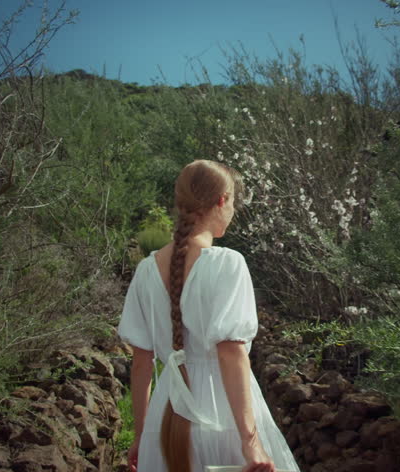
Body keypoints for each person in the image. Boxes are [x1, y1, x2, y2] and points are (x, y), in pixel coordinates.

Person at [118, 160, 299, 472]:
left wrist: (142, 436)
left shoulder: (146, 271)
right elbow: (231, 353)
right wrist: (251, 441)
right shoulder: (227, 263)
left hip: (165, 421)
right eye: (233, 203)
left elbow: (141, 362)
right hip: (223, 417)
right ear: (222, 201)